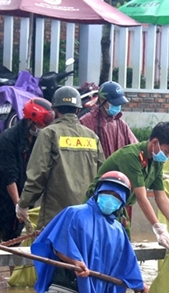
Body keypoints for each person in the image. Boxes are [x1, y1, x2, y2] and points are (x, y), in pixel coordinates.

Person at [29, 171, 149, 293]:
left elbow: (126, 264)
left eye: (117, 196)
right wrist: (75, 261)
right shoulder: (75, 214)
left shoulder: (117, 230)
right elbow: (59, 244)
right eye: (109, 192)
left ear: (123, 202)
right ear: (99, 192)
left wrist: (138, 285)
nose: (112, 199)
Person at [87, 121, 169, 250]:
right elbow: (141, 197)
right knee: (97, 248)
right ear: (155, 143)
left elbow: (161, 197)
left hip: (118, 209)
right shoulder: (131, 157)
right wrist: (158, 228)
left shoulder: (157, 162)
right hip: (99, 205)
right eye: (166, 152)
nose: (167, 157)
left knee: (123, 250)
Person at [16, 86, 105, 228]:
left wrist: (23, 203)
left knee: (52, 249)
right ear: (78, 110)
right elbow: (102, 174)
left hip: (56, 215)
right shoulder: (92, 137)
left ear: (55, 110)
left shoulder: (49, 134)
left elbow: (38, 174)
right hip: (86, 215)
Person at [0, 98, 54, 242]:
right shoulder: (7, 140)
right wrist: (19, 205)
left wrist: (25, 204)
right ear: (31, 120)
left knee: (15, 242)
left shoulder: (37, 140)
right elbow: (9, 176)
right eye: (42, 123)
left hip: (21, 197)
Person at [80, 80, 138, 158]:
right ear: (102, 100)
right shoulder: (86, 122)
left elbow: (136, 148)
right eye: (115, 103)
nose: (118, 107)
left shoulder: (121, 124)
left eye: (119, 104)